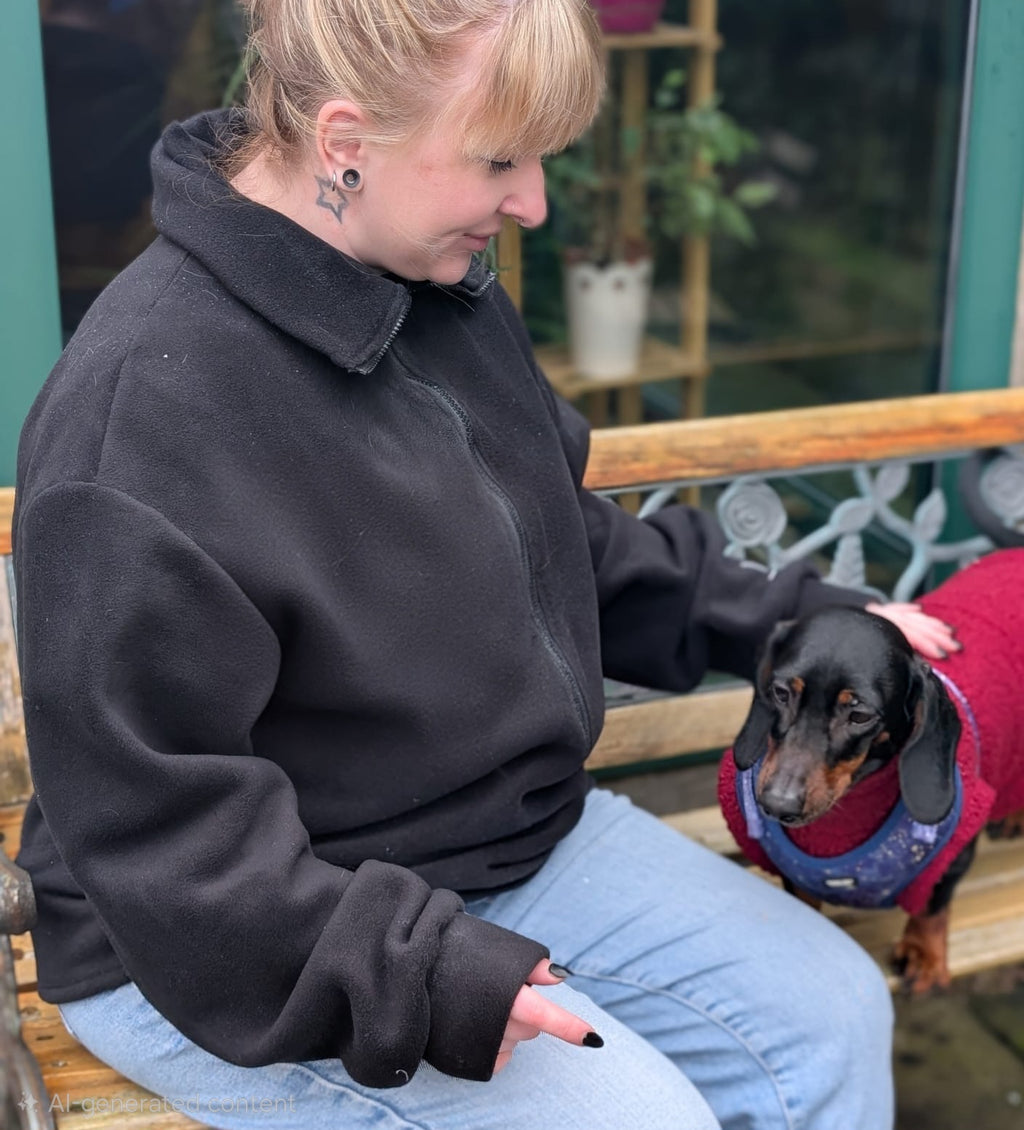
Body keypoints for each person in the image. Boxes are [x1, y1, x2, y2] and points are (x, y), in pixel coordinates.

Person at [13, 1, 957, 1127]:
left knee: (832, 1011)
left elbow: (565, 544)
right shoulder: (143, 412)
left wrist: (811, 622)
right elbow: (157, 825)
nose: (534, 203)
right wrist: (425, 972)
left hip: (497, 845)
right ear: (346, 142)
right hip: (232, 938)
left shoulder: (433, 281)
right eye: (500, 159)